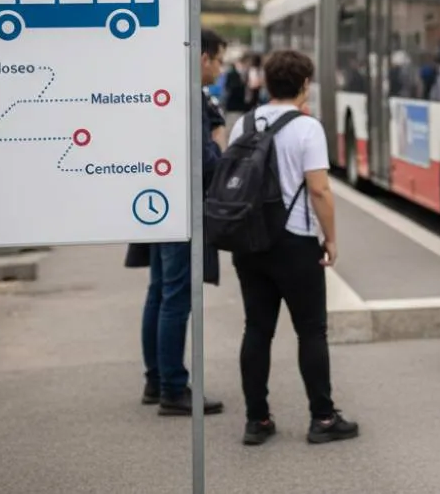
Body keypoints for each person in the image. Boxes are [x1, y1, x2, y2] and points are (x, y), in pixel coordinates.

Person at [229, 49, 358, 446]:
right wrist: (330, 238)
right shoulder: (307, 128)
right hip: (295, 241)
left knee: (257, 329)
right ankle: (322, 418)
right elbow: (319, 189)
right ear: (304, 84)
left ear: (267, 82)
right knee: (311, 332)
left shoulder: (243, 124)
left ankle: (257, 420)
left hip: (249, 242)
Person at [135, 27, 227, 416]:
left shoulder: (168, 89)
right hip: (182, 206)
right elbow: (206, 161)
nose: (220, 69)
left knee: (158, 292)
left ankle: (156, 379)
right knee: (176, 297)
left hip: (158, 202)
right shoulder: (190, 98)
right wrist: (221, 151)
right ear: (203, 57)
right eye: (219, 61)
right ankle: (174, 388)